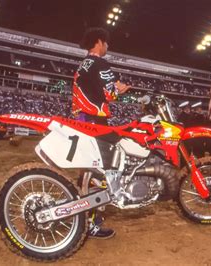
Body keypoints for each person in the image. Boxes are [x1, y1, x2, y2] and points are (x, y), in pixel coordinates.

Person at [72, 27, 130, 239]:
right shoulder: (100, 62)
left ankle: (86, 220)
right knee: (98, 173)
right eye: (106, 43)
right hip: (94, 120)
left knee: (89, 172)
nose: (108, 46)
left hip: (84, 119)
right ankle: (90, 223)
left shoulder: (84, 64)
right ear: (99, 42)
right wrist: (120, 89)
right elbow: (109, 93)